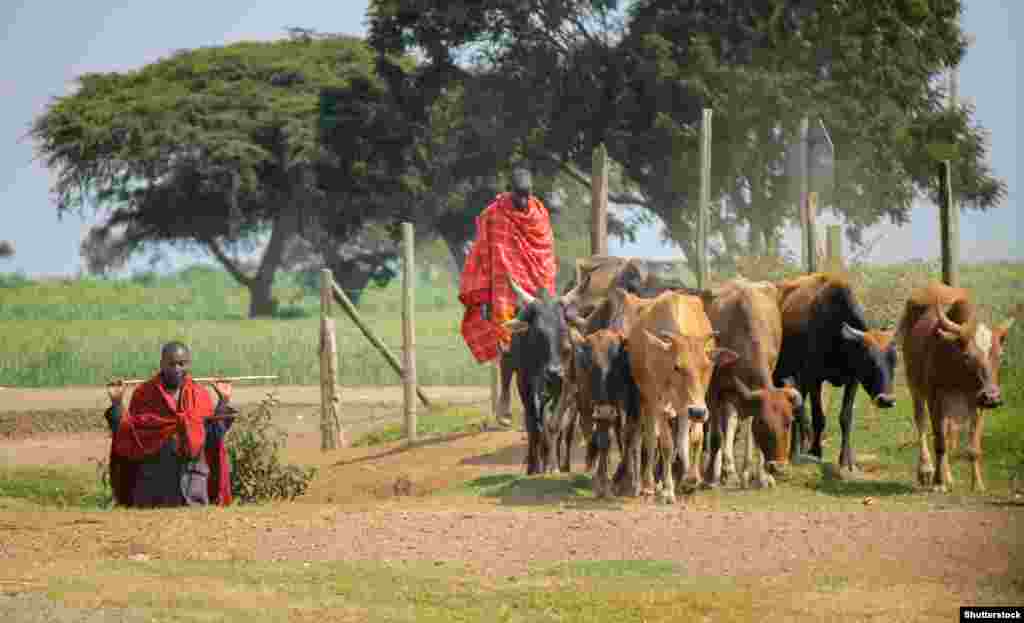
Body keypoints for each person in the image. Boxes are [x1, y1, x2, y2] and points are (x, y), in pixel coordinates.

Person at [458, 167, 558, 424]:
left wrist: (544, 289)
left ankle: (543, 400)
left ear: (531, 192)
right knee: (509, 346)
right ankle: (504, 395)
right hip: (505, 291)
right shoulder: (495, 215)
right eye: (518, 196)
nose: (523, 202)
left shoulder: (540, 215)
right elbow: (482, 252)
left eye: (527, 195)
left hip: (537, 288)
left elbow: (545, 252)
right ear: (510, 192)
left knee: (546, 340)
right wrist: (483, 290)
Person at [104, 341, 236, 508]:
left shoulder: (199, 394)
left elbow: (212, 437)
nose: (176, 369)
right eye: (171, 364)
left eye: (182, 364)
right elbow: (128, 437)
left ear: (188, 365)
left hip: (192, 489)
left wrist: (223, 402)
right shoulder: (144, 394)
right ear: (161, 364)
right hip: (152, 490)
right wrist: (117, 404)